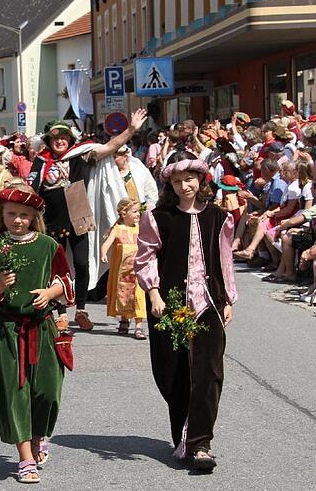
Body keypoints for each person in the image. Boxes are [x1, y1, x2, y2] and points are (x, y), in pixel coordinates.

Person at [135, 152, 237, 472]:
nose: (184, 186)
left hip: (209, 304)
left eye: (190, 179)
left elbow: (225, 260)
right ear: (170, 184)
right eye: (177, 181)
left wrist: (229, 298)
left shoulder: (218, 217)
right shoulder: (158, 217)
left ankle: (200, 444)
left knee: (209, 374)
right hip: (169, 304)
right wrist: (153, 292)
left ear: (202, 179)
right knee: (173, 371)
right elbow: (145, 257)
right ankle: (183, 433)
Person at [0, 183, 74, 484]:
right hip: (8, 330)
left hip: (42, 327)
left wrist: (50, 291)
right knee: (15, 393)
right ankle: (25, 457)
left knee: (47, 392)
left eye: (24, 215)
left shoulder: (48, 245)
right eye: (11, 214)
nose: (17, 220)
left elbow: (66, 282)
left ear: (34, 217)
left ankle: (39, 435)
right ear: (1, 214)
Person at [27, 109, 147, 331]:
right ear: (48, 141)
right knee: (55, 268)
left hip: (78, 217)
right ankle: (60, 311)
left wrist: (131, 129)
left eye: (63, 137)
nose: (60, 141)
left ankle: (81, 310)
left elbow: (109, 147)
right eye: (55, 138)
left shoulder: (81, 155)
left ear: (70, 139)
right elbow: (30, 189)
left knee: (82, 264)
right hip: (50, 222)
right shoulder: (41, 162)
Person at [101, 198, 147, 339]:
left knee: (139, 296)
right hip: (122, 273)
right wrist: (103, 253)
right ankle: (124, 320)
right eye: (134, 212)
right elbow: (106, 243)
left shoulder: (140, 228)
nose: (138, 214)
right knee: (124, 296)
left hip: (138, 271)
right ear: (123, 213)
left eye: (139, 211)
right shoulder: (118, 229)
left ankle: (138, 326)